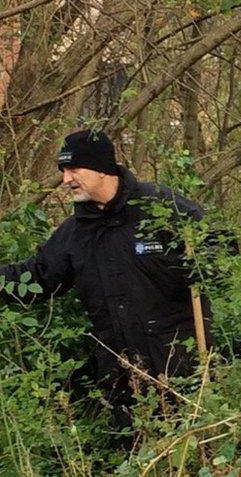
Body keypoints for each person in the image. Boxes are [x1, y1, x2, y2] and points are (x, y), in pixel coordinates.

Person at [0, 129, 216, 445]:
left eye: (74, 170)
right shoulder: (75, 233)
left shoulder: (160, 206)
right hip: (122, 376)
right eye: (63, 171)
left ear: (102, 168)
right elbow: (36, 278)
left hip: (181, 366)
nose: (65, 179)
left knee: (196, 452)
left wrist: (199, 267)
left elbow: (217, 247)